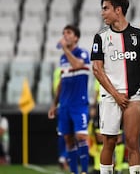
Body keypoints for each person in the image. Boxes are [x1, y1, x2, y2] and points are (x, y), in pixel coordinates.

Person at [90, 0, 140, 174]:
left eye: (106, 8)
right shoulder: (101, 37)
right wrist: (116, 94)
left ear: (118, 10)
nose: (102, 13)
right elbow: (97, 70)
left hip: (134, 97)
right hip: (110, 97)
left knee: (132, 143)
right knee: (109, 143)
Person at [48, 25, 91, 174]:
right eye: (63, 33)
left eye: (68, 32)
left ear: (76, 37)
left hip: (79, 103)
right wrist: (54, 104)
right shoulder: (62, 59)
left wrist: (65, 50)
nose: (65, 35)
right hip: (65, 105)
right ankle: (74, 171)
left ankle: (84, 171)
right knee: (68, 139)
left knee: (81, 136)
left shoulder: (83, 53)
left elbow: (78, 65)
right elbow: (61, 82)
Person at [89, 80, 126, 174]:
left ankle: (118, 167)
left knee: (119, 137)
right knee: (100, 137)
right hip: (102, 103)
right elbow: (97, 91)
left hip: (117, 103)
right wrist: (93, 106)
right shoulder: (101, 71)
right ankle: (98, 167)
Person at [51, 67, 69, 171]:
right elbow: (58, 87)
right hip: (67, 105)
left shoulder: (57, 70)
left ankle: (63, 157)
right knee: (69, 134)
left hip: (62, 105)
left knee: (63, 133)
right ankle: (65, 158)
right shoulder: (61, 70)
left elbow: (56, 88)